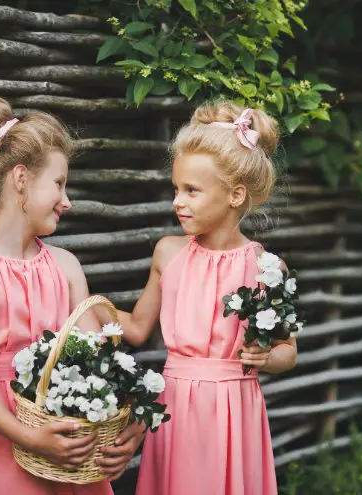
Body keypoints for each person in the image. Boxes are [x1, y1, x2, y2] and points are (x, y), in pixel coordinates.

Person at [0, 97, 141, 494]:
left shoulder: (66, 266)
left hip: (68, 438)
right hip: (2, 434)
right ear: (20, 178)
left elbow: (99, 359)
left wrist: (131, 425)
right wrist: (31, 437)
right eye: (59, 183)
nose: (67, 200)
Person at [118, 101, 298, 494]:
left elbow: (288, 351)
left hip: (232, 412)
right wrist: (86, 301)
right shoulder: (169, 253)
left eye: (192, 191)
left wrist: (267, 357)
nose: (178, 201)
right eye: (176, 189)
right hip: (175, 407)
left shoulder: (265, 267)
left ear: (235, 195)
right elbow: (134, 328)